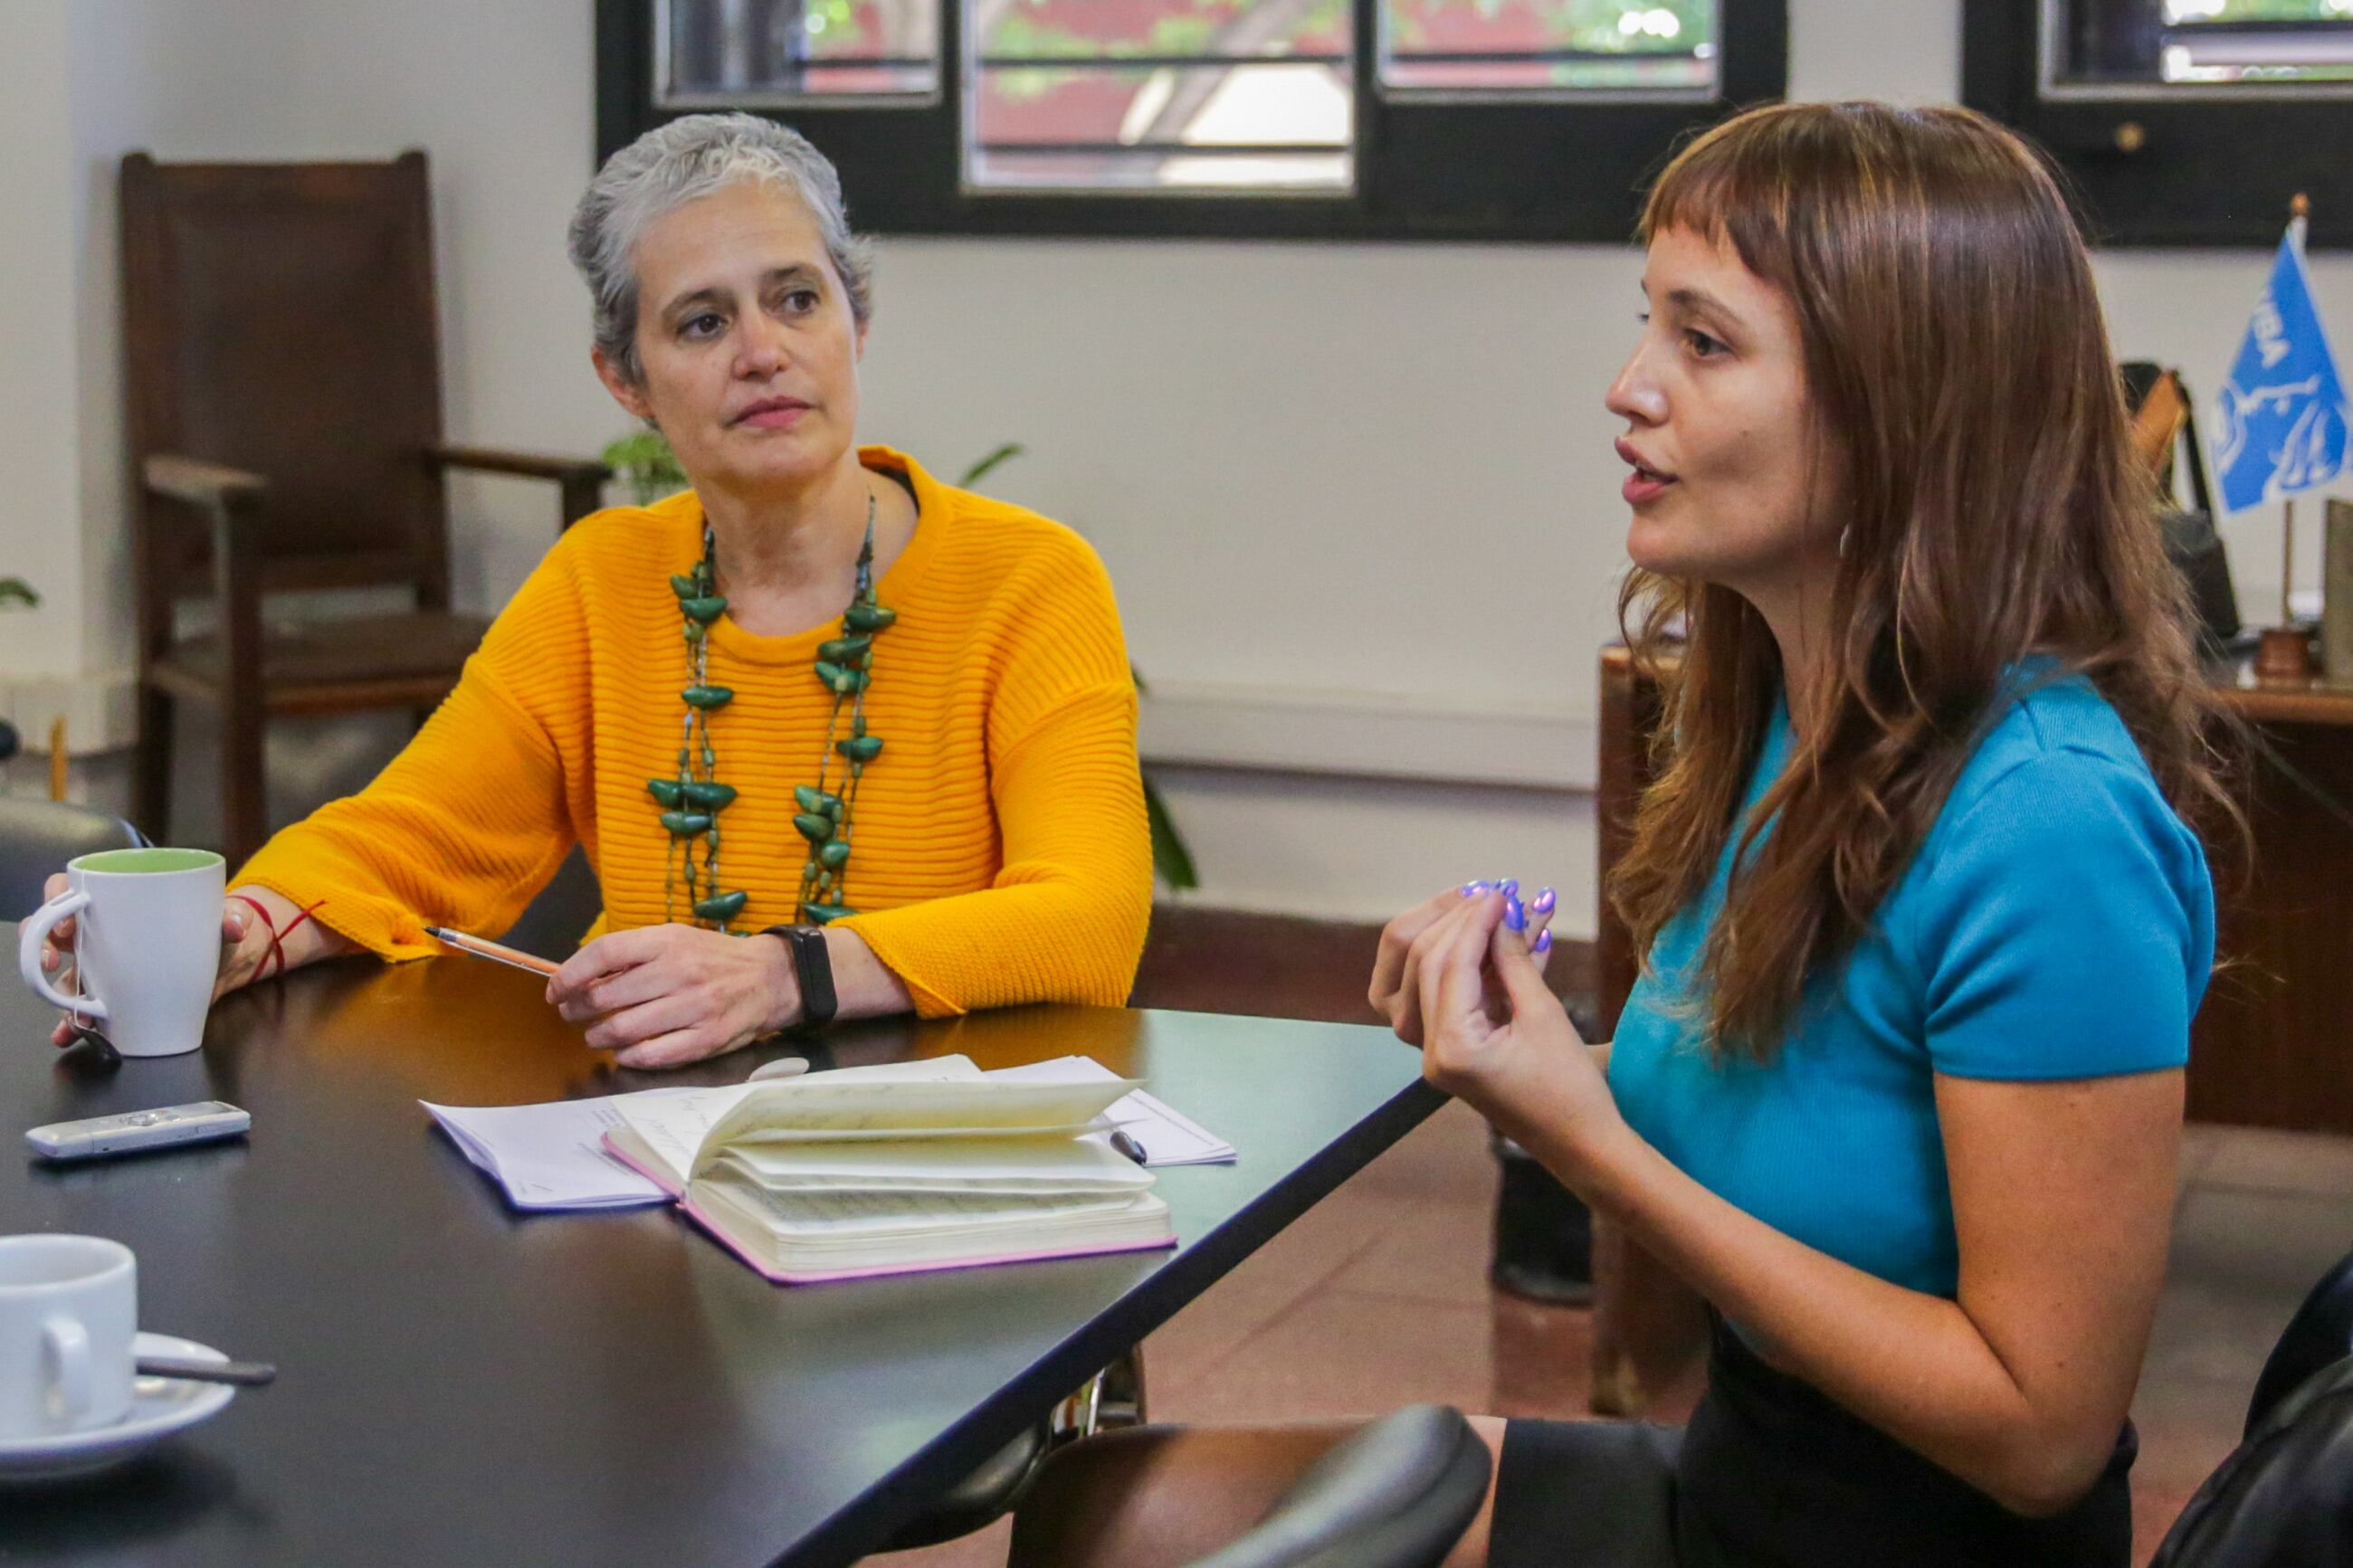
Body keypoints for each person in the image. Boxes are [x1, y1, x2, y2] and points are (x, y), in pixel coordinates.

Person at [1005, 101, 2230, 1567]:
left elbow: (2040, 1438)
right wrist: (1534, 1059)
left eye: (1703, 344)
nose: (1627, 388)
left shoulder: (2048, 827)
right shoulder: (1789, 713)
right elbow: (1767, 1116)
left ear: (1903, 404)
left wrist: (1584, 1138)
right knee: (1101, 1513)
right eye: (1650, 327)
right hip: (1741, 1483)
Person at [40, 113, 1152, 1068]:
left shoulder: (1029, 579)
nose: (760, 351)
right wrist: (240, 928)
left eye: (796, 299)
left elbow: (1091, 920)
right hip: (660, 1140)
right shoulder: (604, 579)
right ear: (625, 380)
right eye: (702, 321)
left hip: (947, 1142)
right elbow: (414, 836)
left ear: (855, 325)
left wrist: (777, 978)